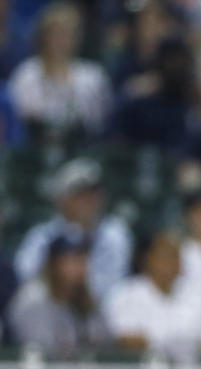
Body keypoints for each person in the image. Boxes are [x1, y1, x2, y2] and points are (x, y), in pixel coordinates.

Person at [15, 157, 133, 304]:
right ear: (61, 199)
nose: (88, 200)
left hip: (101, 312)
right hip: (54, 309)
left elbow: (115, 284)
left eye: (93, 192)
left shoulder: (115, 233)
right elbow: (25, 276)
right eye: (79, 194)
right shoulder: (42, 235)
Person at [8, 1, 112, 140]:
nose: (61, 40)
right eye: (56, 33)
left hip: (82, 149)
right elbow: (18, 122)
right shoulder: (26, 75)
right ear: (43, 36)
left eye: (68, 34)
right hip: (33, 149)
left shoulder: (92, 77)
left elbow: (101, 123)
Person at [103, 232, 201, 363]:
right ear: (149, 259)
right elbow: (126, 341)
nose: (170, 263)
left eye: (175, 257)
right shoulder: (124, 294)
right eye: (164, 257)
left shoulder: (197, 295)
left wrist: (152, 341)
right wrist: (183, 345)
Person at [7, 233, 109, 359]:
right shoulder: (33, 299)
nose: (80, 268)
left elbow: (106, 344)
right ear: (53, 265)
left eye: (83, 259)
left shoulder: (87, 299)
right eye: (72, 260)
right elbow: (41, 354)